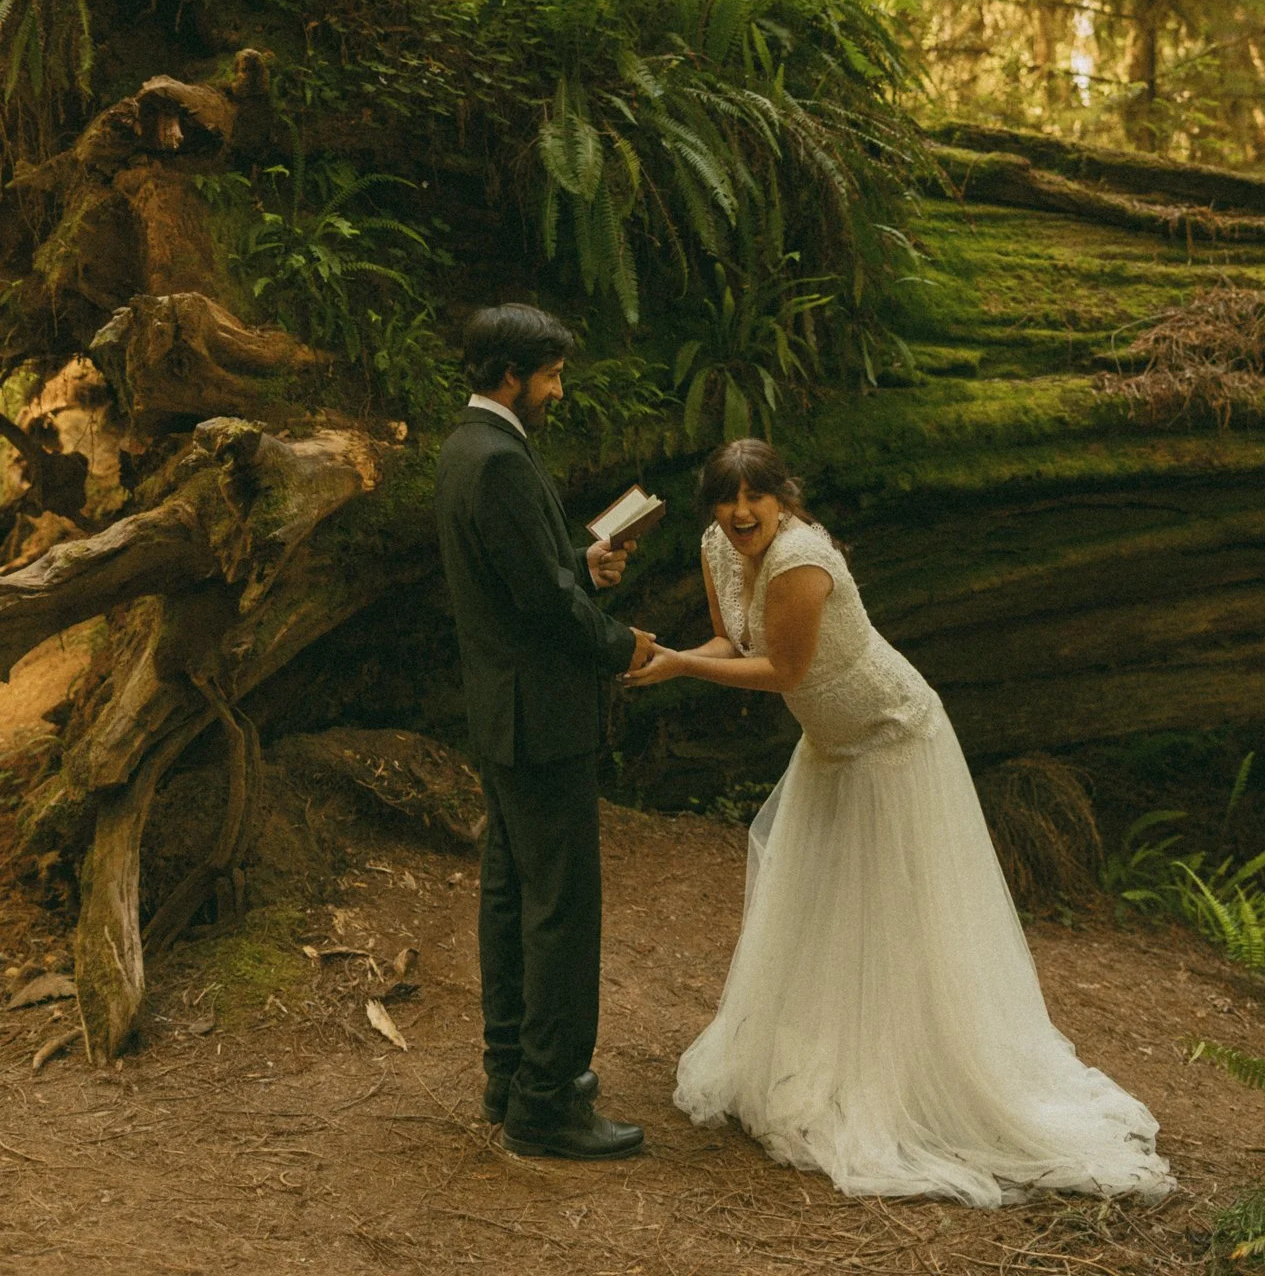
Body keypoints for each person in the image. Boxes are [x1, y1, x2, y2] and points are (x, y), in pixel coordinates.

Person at [625, 438, 1175, 1206]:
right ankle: (828, 1063)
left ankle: (914, 1079)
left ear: (783, 498)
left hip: (890, 735)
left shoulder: (800, 559)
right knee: (825, 910)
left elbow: (783, 670)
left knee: (898, 914)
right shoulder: (719, 545)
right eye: (726, 498)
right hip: (832, 745)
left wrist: (681, 667)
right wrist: (674, 653)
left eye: (756, 497)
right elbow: (736, 641)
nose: (740, 512)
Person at [435, 303, 656, 1160]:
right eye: (550, 376)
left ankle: (511, 1074)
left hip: (501, 709)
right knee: (560, 906)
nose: (558, 391)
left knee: (509, 893)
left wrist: (582, 567)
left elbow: (526, 578)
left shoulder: (466, 448)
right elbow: (541, 607)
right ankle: (548, 1102)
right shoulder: (497, 462)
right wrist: (619, 645)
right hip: (540, 717)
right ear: (507, 377)